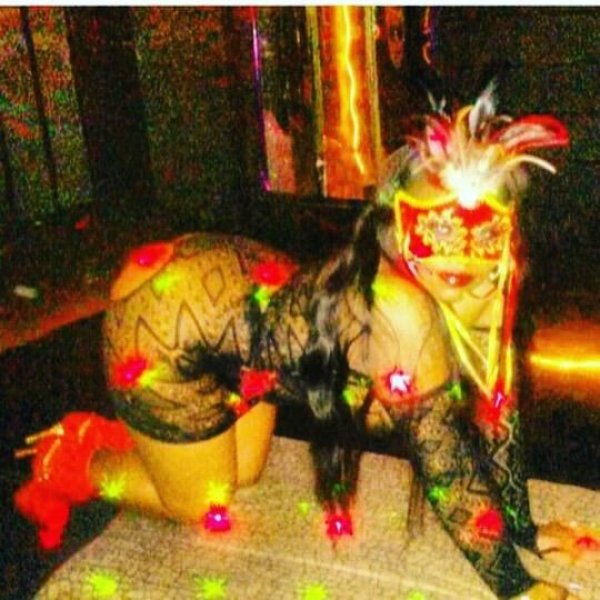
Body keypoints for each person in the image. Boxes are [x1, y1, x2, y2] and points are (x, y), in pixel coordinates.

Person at [15, 84, 595, 599]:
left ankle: (159, 441)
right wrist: (516, 588)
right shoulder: (397, 308)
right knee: (203, 502)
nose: (458, 257)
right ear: (395, 225)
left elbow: (496, 412)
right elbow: (449, 471)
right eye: (436, 226)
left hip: (245, 344)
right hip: (168, 323)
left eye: (482, 231)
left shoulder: (492, 286)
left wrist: (523, 529)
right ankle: (75, 457)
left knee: (244, 477)